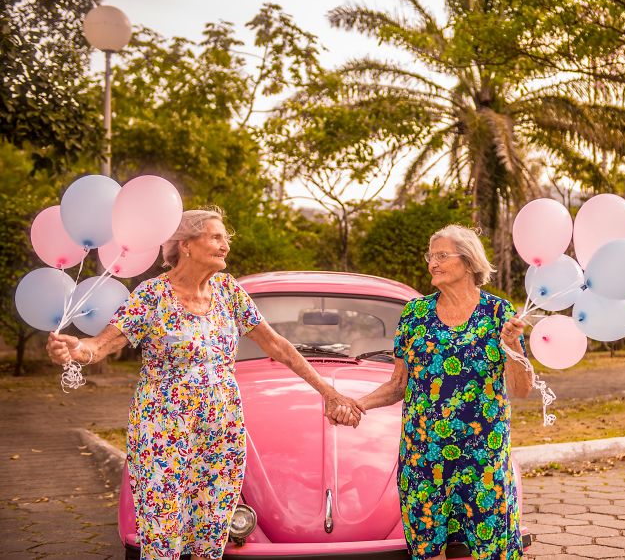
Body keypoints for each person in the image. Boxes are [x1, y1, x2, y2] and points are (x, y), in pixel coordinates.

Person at [45, 208, 363, 560]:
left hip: (222, 431)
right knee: (162, 534)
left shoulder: (229, 292)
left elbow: (278, 345)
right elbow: (102, 345)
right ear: (185, 245)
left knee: (211, 534)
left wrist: (328, 391)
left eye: (226, 238)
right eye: (216, 236)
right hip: (163, 434)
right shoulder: (151, 295)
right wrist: (77, 350)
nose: (225, 245)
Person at [352, 224, 532, 560]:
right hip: (424, 455)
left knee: (490, 549)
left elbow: (521, 389)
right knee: (427, 547)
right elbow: (398, 385)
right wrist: (358, 404)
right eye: (430, 256)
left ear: (467, 262)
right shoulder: (415, 314)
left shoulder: (498, 314)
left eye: (441, 256)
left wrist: (512, 347)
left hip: (482, 458)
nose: (432, 263)